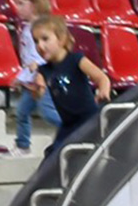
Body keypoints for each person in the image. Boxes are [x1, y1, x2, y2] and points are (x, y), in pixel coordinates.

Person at [31, 15, 109, 156]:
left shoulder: (76, 60)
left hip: (88, 119)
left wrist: (103, 91)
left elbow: (102, 78)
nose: (39, 46)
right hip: (68, 124)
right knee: (52, 156)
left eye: (45, 39)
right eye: (36, 41)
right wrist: (37, 90)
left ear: (61, 39)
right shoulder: (44, 70)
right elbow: (39, 91)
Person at [10, 0, 59, 154]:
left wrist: (20, 77)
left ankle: (74, 128)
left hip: (41, 81)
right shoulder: (28, 27)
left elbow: (39, 59)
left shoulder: (41, 29)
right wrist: (23, 77)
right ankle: (23, 145)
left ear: (35, 3)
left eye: (22, 3)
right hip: (30, 82)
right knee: (22, 112)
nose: (17, 8)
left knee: (48, 114)